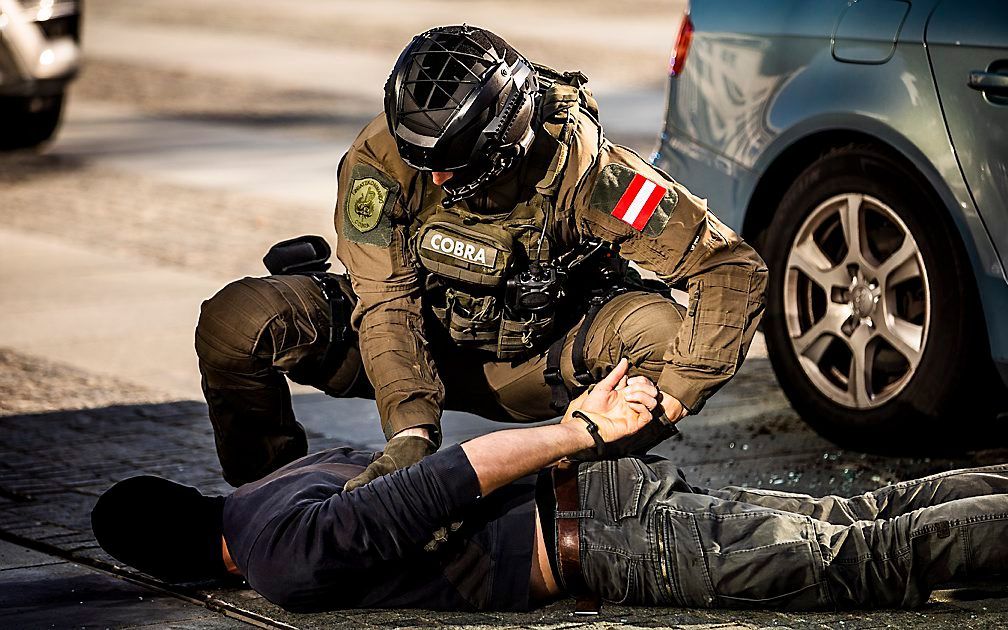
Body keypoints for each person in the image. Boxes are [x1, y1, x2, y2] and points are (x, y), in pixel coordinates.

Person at [193, 24, 768, 490]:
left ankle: (559, 498)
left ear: (504, 141)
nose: (434, 176)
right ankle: (265, 500)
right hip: (411, 341)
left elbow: (728, 265)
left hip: (542, 361)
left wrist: (673, 398)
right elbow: (386, 300)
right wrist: (410, 432)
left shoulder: (593, 174)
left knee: (664, 337)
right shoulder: (387, 155)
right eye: (421, 158)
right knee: (237, 321)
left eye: (451, 163)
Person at [93, 360, 1008, 613]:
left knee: (867, 556)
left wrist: (578, 429)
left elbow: (443, 480)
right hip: (602, 507)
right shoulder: (277, 488)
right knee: (859, 519)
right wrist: (580, 438)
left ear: (180, 572)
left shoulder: (272, 555)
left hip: (608, 540)